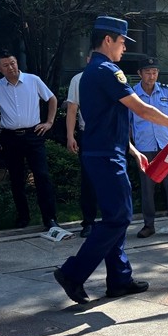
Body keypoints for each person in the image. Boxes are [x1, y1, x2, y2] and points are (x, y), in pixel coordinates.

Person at [53, 16, 168, 304]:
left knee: (115, 217)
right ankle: (73, 273)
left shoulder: (92, 71)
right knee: (119, 217)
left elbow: (107, 119)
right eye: (122, 42)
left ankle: (119, 279)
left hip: (105, 151)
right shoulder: (107, 71)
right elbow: (141, 109)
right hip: (105, 156)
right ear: (108, 40)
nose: (124, 48)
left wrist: (131, 149)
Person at [0, 52, 61, 230]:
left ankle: (49, 218)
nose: (10, 67)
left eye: (12, 63)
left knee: (42, 176)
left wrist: (49, 122)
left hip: (33, 134)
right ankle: (23, 217)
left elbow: (51, 98)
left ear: (17, 62)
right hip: (10, 137)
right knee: (16, 179)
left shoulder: (32, 80)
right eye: (5, 65)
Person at [130, 57, 168, 239]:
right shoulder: (132, 95)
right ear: (139, 74)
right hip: (144, 148)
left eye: (154, 72)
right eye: (148, 72)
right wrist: (132, 147)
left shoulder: (167, 91)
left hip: (166, 147)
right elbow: (128, 124)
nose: (151, 76)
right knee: (147, 188)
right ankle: (148, 225)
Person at [65, 52, 97, 238]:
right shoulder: (78, 79)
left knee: (111, 178)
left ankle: (112, 221)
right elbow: (72, 109)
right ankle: (89, 222)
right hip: (88, 134)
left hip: (109, 134)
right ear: (87, 60)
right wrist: (70, 135)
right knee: (88, 179)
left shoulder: (114, 76)